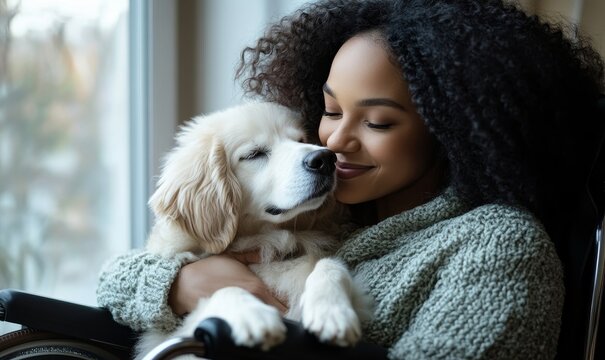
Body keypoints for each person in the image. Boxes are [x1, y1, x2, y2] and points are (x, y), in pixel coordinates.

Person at [96, 0, 605, 358]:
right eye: (330, 111)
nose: (333, 143)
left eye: (377, 122)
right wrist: (180, 283)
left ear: (452, 130)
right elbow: (117, 277)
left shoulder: (497, 243)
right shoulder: (324, 213)